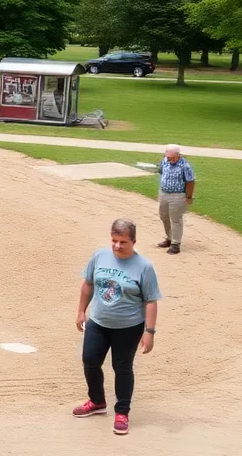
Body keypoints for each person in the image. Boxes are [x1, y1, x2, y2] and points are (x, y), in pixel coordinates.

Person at [74, 219, 161, 435]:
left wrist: (149, 332)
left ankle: (122, 412)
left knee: (122, 367)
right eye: (114, 240)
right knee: (90, 360)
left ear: (133, 241)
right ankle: (97, 401)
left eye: (122, 241)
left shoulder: (144, 267)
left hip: (128, 326)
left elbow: (150, 301)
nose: (117, 246)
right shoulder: (99, 256)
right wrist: (81, 311)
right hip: (99, 322)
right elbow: (88, 284)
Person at [157, 144, 195, 254]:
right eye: (168, 157)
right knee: (164, 216)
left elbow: (190, 181)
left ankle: (175, 244)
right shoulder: (165, 160)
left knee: (175, 219)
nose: (170, 160)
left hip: (178, 195)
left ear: (178, 155)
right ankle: (169, 238)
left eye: (172, 158)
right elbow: (161, 172)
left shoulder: (185, 166)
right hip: (164, 193)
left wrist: (188, 196)